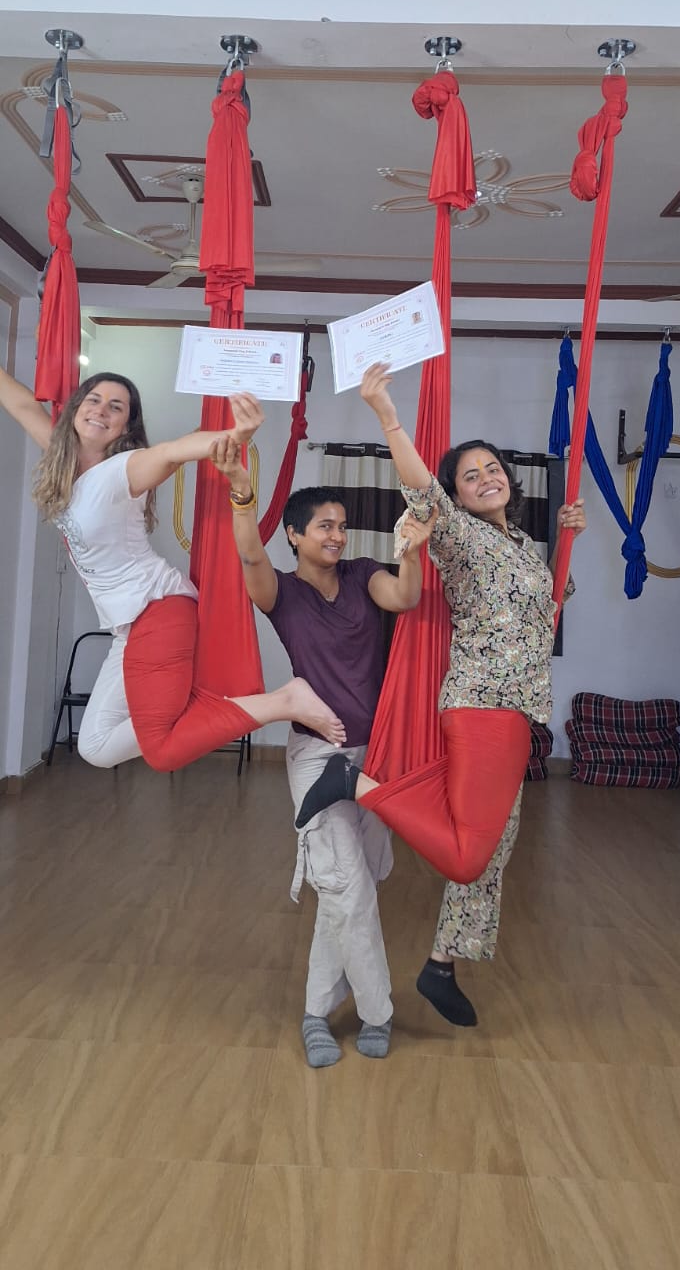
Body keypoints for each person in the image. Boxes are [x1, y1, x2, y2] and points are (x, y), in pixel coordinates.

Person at [296, 362, 586, 1026]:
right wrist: (386, 414)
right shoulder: (461, 537)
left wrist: (568, 543)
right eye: (470, 474)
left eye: (493, 469)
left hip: (516, 706)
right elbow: (421, 488)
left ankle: (441, 964)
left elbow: (543, 607)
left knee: (495, 846)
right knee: (468, 849)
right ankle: (355, 782)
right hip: (484, 704)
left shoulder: (523, 546)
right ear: (460, 492)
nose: (486, 478)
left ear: (510, 482)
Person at [212, 393, 436, 1068]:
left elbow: (407, 597)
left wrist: (413, 551)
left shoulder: (368, 575)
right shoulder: (282, 591)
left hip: (376, 754)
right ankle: (373, 1012)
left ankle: (316, 1009)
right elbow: (248, 557)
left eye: (341, 525)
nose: (337, 536)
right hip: (317, 754)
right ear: (297, 536)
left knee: (356, 881)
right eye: (324, 527)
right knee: (345, 884)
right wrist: (243, 497)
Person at [0, 365, 345, 771]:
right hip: (128, 627)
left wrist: (234, 437)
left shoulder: (123, 470)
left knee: (162, 751)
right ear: (75, 408)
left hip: (158, 613)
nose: (101, 411)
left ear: (125, 428)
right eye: (93, 400)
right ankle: (197, 707)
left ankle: (285, 701)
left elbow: (175, 450)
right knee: (95, 746)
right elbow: (21, 402)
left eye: (116, 407)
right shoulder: (61, 458)